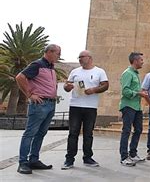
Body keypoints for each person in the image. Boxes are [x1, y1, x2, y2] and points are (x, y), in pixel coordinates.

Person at [15, 44, 61, 174]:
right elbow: (20, 77)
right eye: (58, 53)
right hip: (40, 105)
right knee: (30, 133)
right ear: (50, 52)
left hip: (50, 104)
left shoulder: (51, 68)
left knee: (41, 133)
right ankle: (23, 163)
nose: (59, 56)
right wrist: (30, 94)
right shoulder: (37, 65)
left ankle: (34, 160)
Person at [61, 50, 109, 169]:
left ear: (90, 58)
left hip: (90, 107)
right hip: (75, 106)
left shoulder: (99, 71)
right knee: (73, 133)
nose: (80, 59)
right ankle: (69, 159)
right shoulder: (74, 71)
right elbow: (66, 86)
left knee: (88, 133)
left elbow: (105, 85)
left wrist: (94, 90)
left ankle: (87, 157)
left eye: (82, 57)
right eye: (79, 57)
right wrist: (67, 86)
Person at [119, 52, 149, 166]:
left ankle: (133, 153)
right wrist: (139, 93)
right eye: (141, 60)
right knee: (126, 131)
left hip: (137, 106)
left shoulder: (135, 74)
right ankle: (124, 157)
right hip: (128, 106)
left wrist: (139, 94)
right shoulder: (127, 73)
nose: (143, 62)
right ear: (135, 61)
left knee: (138, 129)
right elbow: (125, 91)